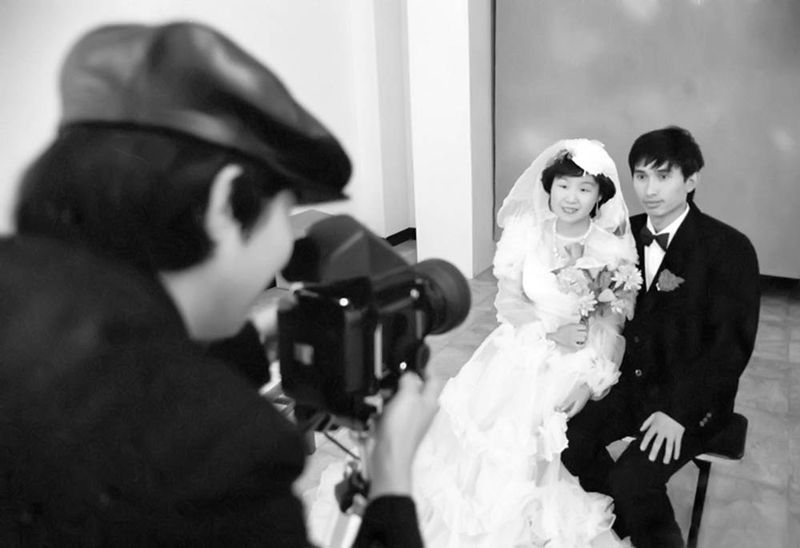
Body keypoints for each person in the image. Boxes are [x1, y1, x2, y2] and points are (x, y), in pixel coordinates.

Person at [0, 22, 442, 547]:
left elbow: (102, 381)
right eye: (289, 211)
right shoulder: (222, 455)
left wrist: (248, 343)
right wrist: (390, 481)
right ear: (226, 202)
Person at [406, 139, 642, 547]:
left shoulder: (610, 248)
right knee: (492, 438)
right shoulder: (526, 234)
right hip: (522, 345)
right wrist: (550, 334)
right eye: (564, 186)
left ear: (601, 195)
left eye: (585, 189)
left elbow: (611, 324)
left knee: (543, 443)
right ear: (548, 187)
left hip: (577, 359)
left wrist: (589, 381)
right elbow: (510, 301)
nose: (571, 197)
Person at [562, 126, 760, 548]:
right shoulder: (622, 236)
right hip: (629, 386)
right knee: (565, 442)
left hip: (691, 398)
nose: (649, 189)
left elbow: (730, 349)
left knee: (634, 478)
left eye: (663, 176)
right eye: (640, 176)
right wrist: (587, 377)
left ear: (691, 180)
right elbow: (605, 318)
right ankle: (617, 525)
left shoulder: (730, 248)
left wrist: (680, 413)